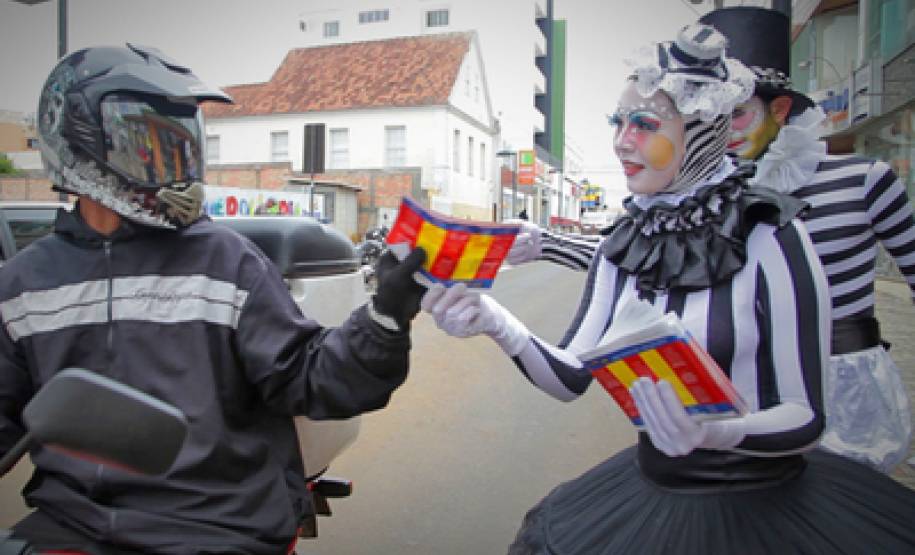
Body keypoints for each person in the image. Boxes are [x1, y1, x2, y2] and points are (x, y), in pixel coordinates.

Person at [424, 25, 915, 553]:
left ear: (702, 133)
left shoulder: (771, 233)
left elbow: (806, 416)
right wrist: (499, 324)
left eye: (644, 124)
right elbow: (570, 376)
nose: (620, 141)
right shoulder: (628, 238)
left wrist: (719, 432)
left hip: (767, 512)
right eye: (619, 122)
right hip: (653, 493)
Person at [0, 44, 427, 553]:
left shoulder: (225, 261)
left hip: (218, 524)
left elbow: (308, 376)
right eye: (151, 146)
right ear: (80, 143)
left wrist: (384, 318)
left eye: (182, 144)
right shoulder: (24, 283)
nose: (173, 165)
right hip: (75, 524)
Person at [509, 6, 915, 473]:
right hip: (744, 396)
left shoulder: (854, 181)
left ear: (778, 110)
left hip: (844, 389)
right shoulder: (703, 192)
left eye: (735, 114)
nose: (720, 128)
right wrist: (546, 245)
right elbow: (658, 260)